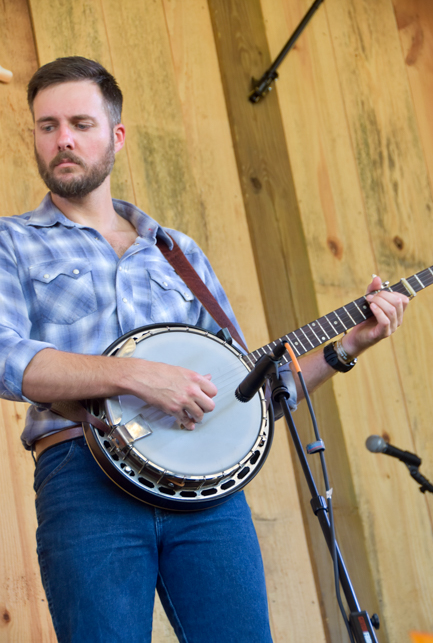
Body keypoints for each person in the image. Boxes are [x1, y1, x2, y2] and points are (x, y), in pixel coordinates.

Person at [0, 57, 409, 643]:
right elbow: (6, 357)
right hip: (83, 475)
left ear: (117, 136)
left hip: (206, 494)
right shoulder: (12, 241)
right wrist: (135, 375)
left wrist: (345, 349)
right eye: (48, 126)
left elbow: (247, 395)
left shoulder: (178, 253)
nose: (63, 139)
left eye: (81, 124)